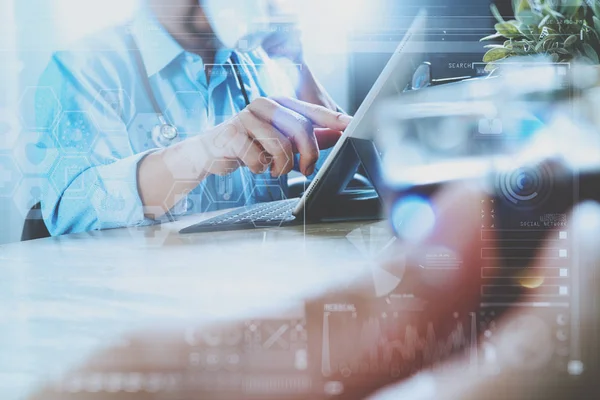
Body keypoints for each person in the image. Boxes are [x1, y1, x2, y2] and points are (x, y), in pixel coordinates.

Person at [27, 184, 600, 399]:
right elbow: (61, 205)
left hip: (233, 278)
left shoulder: (254, 59)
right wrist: (197, 153)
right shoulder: (90, 63)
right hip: (124, 290)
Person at [36, 0, 350, 236]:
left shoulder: (257, 62)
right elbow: (72, 213)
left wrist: (297, 63)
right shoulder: (84, 67)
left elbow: (342, 171)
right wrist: (200, 153)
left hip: (259, 287)